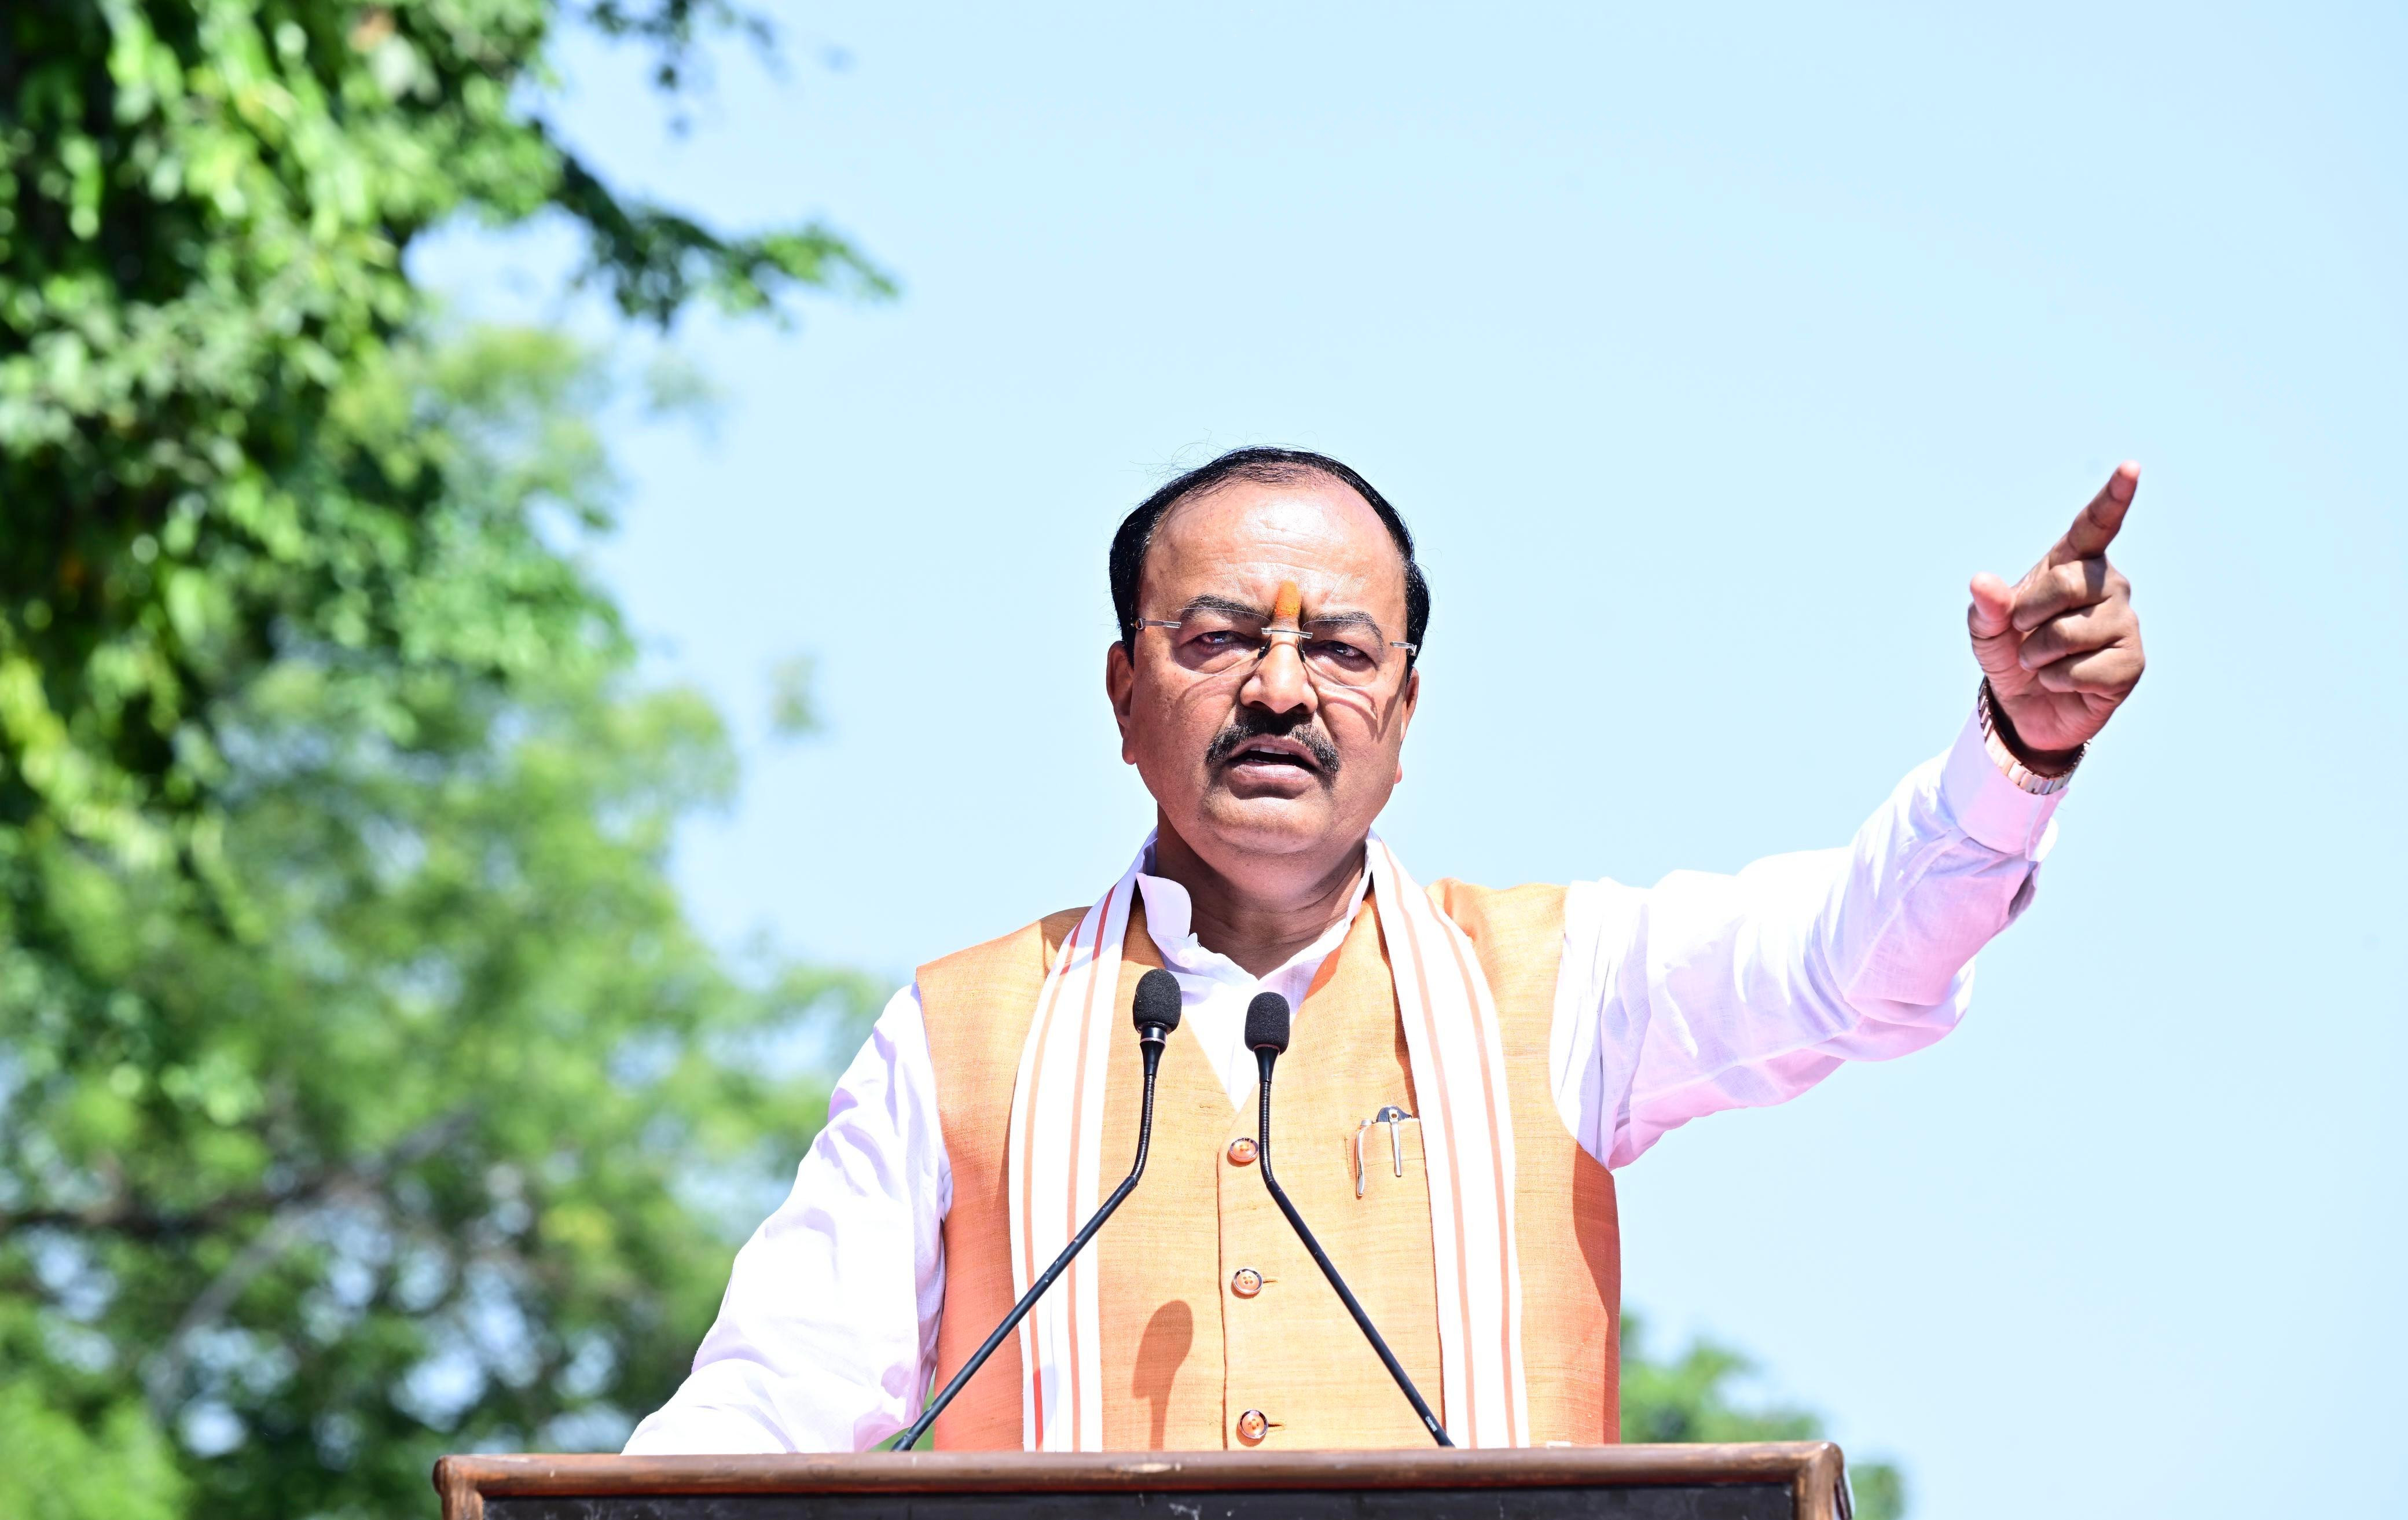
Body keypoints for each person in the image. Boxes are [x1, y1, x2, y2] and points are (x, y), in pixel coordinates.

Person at [625, 447, 2146, 1455]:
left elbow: (1851, 961)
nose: (1282, 690)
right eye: (1220, 637)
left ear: (1405, 714)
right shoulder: (959, 1032)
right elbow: (768, 1405)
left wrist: (2017, 752)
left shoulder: (1571, 982)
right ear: (1122, 693)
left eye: (1342, 649)